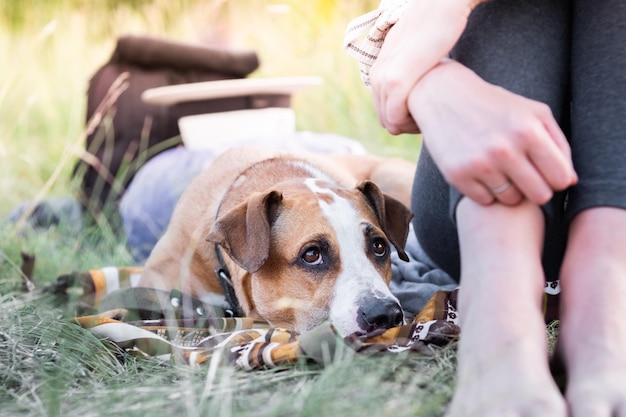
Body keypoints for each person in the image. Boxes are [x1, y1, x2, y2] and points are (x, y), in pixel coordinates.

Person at [345, 0, 626, 416]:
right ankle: (499, 303)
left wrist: (432, 60)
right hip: (474, 213)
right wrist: (440, 84)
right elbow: (388, 54)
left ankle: (604, 293)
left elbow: (407, 56)